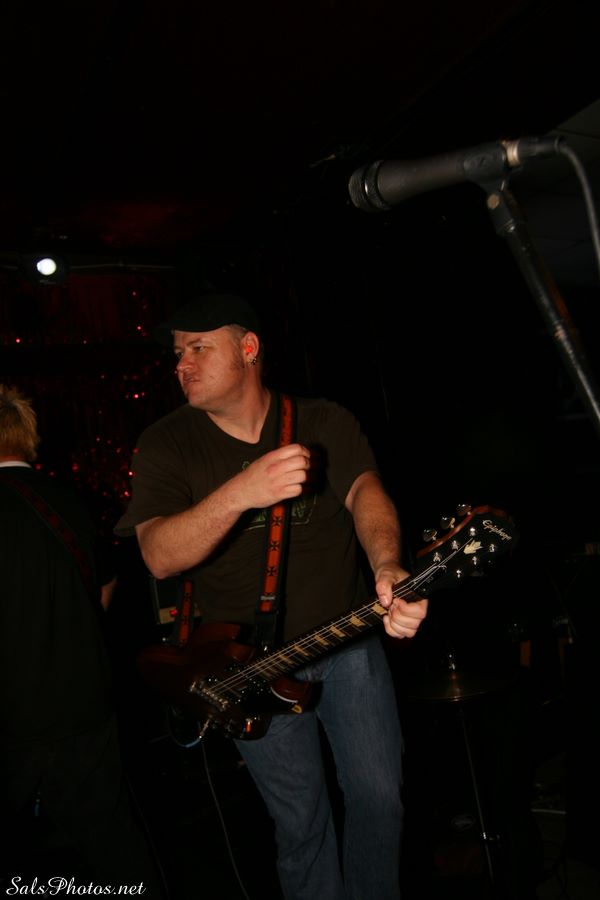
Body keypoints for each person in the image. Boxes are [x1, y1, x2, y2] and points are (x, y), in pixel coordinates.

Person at [114, 292, 429, 900]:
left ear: (249, 348)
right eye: (178, 353)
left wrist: (389, 564)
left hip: (347, 645)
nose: (182, 365)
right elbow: (157, 553)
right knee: (301, 824)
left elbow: (366, 492)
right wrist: (242, 492)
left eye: (198, 347)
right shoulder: (166, 442)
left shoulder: (323, 420)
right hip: (247, 668)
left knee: (380, 800)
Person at [0, 384, 167, 895]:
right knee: (117, 854)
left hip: (10, 719)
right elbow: (107, 584)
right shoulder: (70, 501)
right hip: (84, 707)